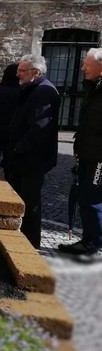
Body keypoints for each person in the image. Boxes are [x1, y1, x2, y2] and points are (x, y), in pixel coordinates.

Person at [4, 54, 60, 249]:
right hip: (25, 157)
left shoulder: (43, 91)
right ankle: (19, 238)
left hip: (31, 159)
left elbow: (39, 128)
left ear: (36, 73)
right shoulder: (33, 88)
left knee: (29, 201)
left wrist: (19, 147)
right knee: (21, 197)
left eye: (22, 71)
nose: (17, 74)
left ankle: (29, 243)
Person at [59, 47, 102, 263]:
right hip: (87, 154)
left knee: (91, 199)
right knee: (84, 198)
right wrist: (78, 149)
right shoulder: (93, 88)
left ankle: (93, 245)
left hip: (100, 158)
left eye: (87, 64)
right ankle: (88, 240)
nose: (82, 67)